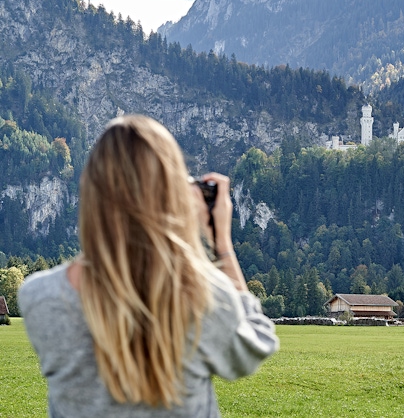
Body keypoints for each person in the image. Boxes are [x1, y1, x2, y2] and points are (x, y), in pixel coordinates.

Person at [19, 115, 279, 417]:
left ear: (92, 193)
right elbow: (253, 346)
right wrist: (221, 243)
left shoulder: (40, 298)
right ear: (172, 195)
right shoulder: (203, 296)